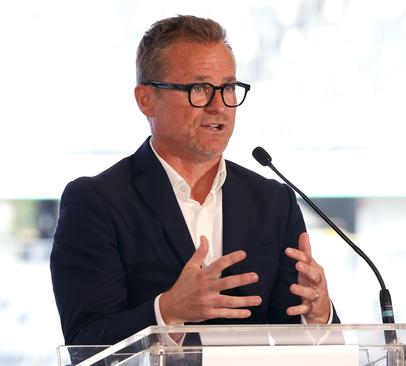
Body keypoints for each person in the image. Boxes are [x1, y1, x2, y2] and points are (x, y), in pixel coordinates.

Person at [50, 15, 337, 346]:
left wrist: (318, 315)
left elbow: (298, 343)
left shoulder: (273, 202)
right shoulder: (96, 202)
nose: (219, 106)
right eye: (199, 89)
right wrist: (167, 311)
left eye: (228, 88)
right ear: (146, 99)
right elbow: (85, 345)